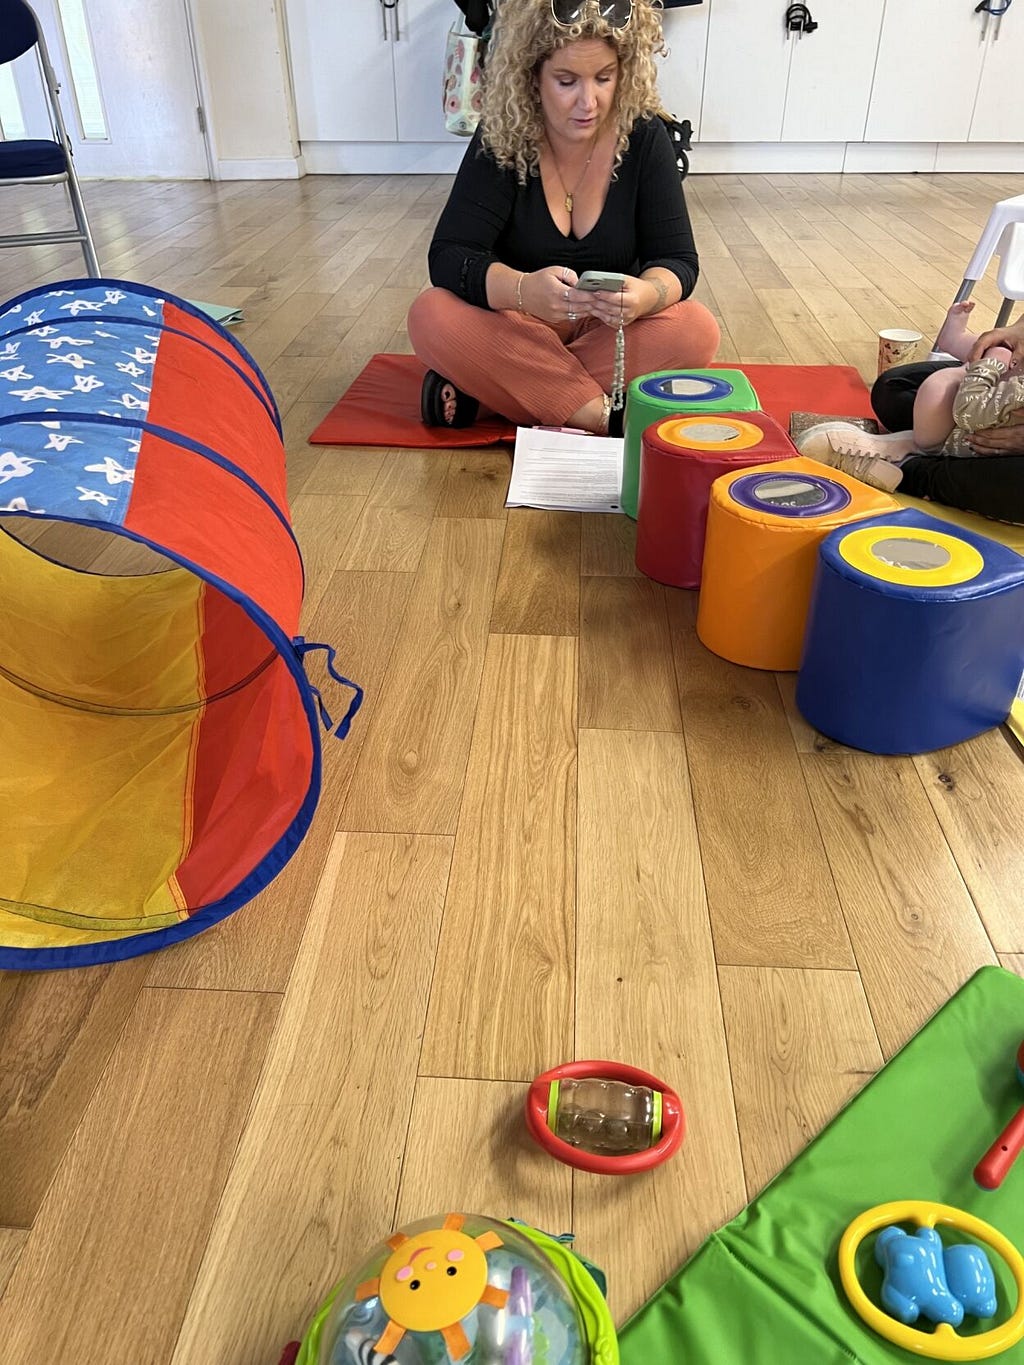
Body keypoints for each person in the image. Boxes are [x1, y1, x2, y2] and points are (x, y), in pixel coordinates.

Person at [406, 0, 720, 435]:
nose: (588, 102)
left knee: (696, 330)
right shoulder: (503, 133)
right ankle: (601, 415)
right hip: (515, 325)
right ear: (532, 75)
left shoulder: (645, 136)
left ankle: (497, 394)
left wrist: (648, 295)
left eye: (604, 78)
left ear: (624, 71)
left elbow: (678, 260)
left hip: (608, 332)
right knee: (431, 314)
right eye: (566, 81)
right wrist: (522, 291)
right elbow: (449, 256)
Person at [795, 311, 1024, 522]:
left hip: (984, 407)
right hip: (994, 396)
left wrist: (982, 369)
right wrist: (1015, 331)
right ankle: (925, 448)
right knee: (893, 388)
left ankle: (906, 469)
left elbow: (968, 412)